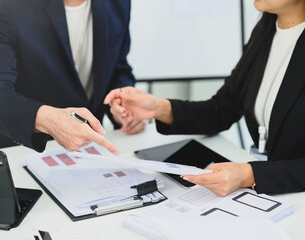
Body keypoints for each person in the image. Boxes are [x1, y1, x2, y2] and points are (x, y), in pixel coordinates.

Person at [105, 0, 305, 195]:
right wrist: (158, 108)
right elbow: (223, 109)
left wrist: (250, 174)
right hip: (271, 193)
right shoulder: (266, 31)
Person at [0, 0, 147, 155]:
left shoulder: (118, 2)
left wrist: (122, 102)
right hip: (14, 151)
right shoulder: (0, 3)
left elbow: (117, 67)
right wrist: (48, 120)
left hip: (86, 153)